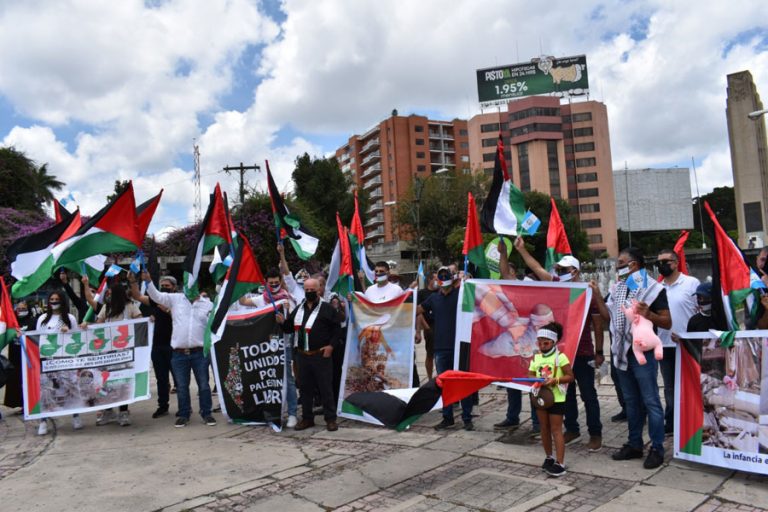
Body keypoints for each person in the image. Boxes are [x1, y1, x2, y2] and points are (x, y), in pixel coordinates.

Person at [514, 237, 604, 451]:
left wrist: (599, 352)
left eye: (564, 269)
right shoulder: (555, 285)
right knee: (566, 392)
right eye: (559, 269)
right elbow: (535, 267)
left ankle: (595, 433)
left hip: (583, 353)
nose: (560, 272)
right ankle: (572, 428)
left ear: (574, 271)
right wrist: (522, 250)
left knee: (588, 394)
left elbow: (598, 326)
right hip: (562, 353)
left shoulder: (588, 293)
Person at [593, 247, 671, 470]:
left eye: (621, 263)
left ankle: (656, 447)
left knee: (651, 401)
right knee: (631, 402)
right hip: (621, 353)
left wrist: (651, 315)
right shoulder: (618, 288)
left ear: (634, 265)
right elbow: (608, 317)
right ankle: (634, 444)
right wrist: (598, 295)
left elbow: (667, 321)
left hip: (643, 354)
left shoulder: (654, 290)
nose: (617, 267)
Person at [141, 270, 216, 428]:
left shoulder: (208, 304)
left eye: (193, 284)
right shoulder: (175, 299)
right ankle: (184, 413)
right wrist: (148, 281)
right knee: (182, 386)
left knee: (203, 384)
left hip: (199, 353)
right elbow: (156, 296)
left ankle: (206, 412)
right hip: (178, 354)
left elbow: (215, 325)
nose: (190, 287)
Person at [240, 263, 300, 428]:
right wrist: (239, 283)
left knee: (288, 380)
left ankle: (293, 413)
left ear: (280, 281)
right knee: (268, 380)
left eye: (276, 282)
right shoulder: (262, 299)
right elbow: (244, 301)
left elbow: (293, 323)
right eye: (270, 283)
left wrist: (286, 314)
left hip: (285, 345)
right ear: (265, 282)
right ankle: (272, 412)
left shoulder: (288, 299)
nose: (274, 285)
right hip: (266, 347)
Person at [418, 266, 474, 431]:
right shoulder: (433, 299)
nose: (442, 278)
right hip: (441, 347)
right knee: (445, 384)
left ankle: (467, 417)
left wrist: (467, 282)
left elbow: (475, 297)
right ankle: (447, 417)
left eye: (445, 275)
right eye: (440, 275)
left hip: (460, 346)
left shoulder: (461, 295)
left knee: (463, 384)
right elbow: (416, 310)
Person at [282, 278, 343, 431]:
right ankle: (307, 419)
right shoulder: (299, 308)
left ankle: (330, 419)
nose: (309, 292)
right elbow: (289, 328)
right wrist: (282, 321)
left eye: (312, 290)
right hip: (302, 355)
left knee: (325, 388)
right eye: (306, 290)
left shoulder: (327, 308)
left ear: (319, 290)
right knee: (305, 389)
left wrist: (331, 346)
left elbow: (337, 330)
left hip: (320, 355)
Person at [80, 281, 143, 426]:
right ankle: (108, 411)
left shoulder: (130, 307)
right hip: (108, 353)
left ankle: (123, 412)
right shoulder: (106, 308)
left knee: (122, 382)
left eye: (110, 293)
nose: (107, 295)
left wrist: (149, 321)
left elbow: (140, 323)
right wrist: (87, 325)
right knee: (105, 383)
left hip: (124, 353)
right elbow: (99, 324)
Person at [494, 238, 540, 438]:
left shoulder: (530, 286)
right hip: (513, 342)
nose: (505, 277)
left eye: (508, 273)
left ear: (515, 274)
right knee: (512, 381)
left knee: (532, 384)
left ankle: (538, 421)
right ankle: (512, 417)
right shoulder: (507, 292)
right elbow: (503, 272)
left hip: (532, 343)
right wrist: (503, 253)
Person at [655, 249, 699, 435]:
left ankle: (695, 419)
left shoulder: (691, 283)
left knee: (692, 384)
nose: (663, 265)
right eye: (659, 262)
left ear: (676, 262)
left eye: (666, 261)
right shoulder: (657, 288)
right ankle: (672, 421)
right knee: (670, 387)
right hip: (665, 345)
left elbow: (701, 311)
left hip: (688, 345)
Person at [128, 273, 177, 419]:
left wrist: (168, 311)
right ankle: (163, 406)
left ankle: (184, 408)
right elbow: (137, 296)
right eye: (162, 286)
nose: (164, 288)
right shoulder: (156, 301)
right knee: (161, 379)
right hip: (156, 346)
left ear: (174, 288)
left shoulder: (178, 301)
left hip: (173, 346)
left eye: (167, 286)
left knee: (180, 379)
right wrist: (132, 281)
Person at [529, 322, 574, 477]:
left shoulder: (560, 358)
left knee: (556, 430)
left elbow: (570, 376)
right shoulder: (536, 357)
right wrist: (536, 380)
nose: (542, 345)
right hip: (540, 397)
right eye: (539, 342)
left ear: (554, 342)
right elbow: (530, 375)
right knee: (544, 428)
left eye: (546, 342)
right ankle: (549, 457)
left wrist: (555, 380)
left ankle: (560, 463)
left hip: (556, 399)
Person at [36, 291, 82, 434]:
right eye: (52, 299)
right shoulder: (43, 318)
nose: (54, 301)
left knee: (71, 388)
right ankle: (43, 421)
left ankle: (76, 416)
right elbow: (37, 338)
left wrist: (68, 332)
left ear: (63, 301)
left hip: (65, 360)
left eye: (57, 299)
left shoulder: (70, 318)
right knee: (46, 391)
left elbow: (77, 338)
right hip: (48, 361)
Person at [3, 301, 37, 411]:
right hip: (15, 356)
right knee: (15, 380)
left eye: (23, 308)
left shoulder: (33, 321)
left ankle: (29, 404)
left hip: (28, 356)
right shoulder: (12, 322)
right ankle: (19, 403)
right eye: (19, 309)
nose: (21, 311)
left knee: (28, 381)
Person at [416, 272, 438, 380]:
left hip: (440, 326)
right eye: (435, 278)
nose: (438, 281)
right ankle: (429, 378)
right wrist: (425, 328)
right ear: (429, 280)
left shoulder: (440, 292)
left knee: (440, 355)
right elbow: (418, 312)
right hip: (429, 326)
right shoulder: (422, 293)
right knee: (430, 354)